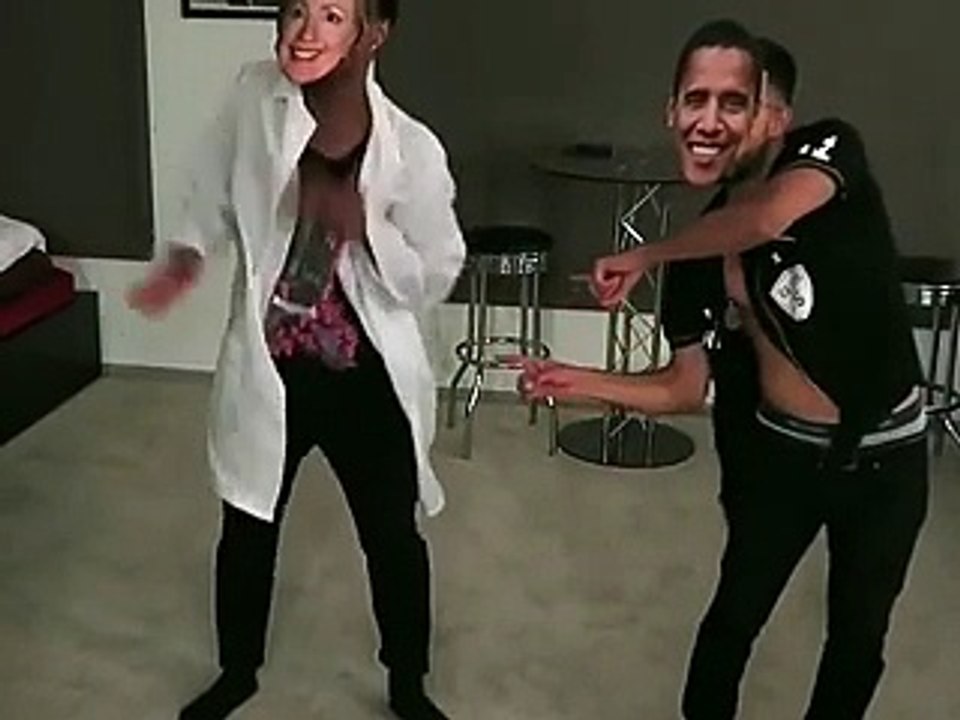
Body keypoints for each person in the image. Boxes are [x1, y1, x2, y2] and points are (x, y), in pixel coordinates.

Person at [519, 19, 928, 719]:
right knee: (733, 618)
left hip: (887, 456)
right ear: (671, 112)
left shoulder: (829, 153)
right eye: (695, 100)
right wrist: (576, 380)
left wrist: (646, 254)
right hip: (781, 457)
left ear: (774, 119)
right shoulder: (699, 254)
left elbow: (766, 220)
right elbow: (683, 388)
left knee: (858, 636)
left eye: (734, 103)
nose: (709, 122)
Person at [129, 2, 465, 719]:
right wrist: (186, 253)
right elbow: (212, 182)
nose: (306, 32)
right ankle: (237, 672)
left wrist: (368, 230)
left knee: (392, 537)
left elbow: (436, 274)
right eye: (296, 11)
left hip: (365, 376)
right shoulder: (255, 96)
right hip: (271, 367)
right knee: (247, 524)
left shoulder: (412, 148)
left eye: (332, 15)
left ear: (373, 35)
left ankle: (408, 686)